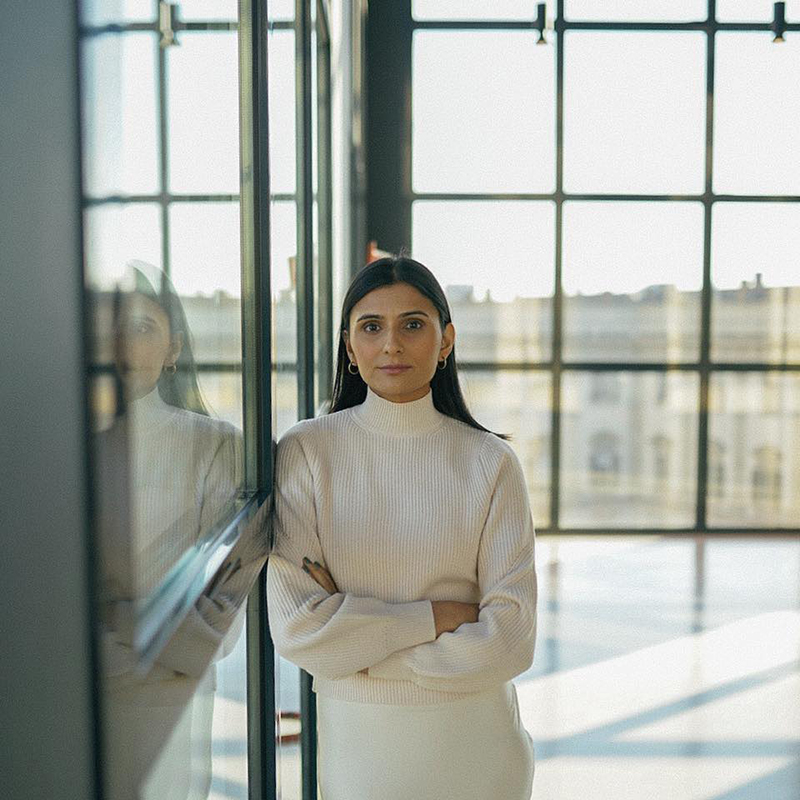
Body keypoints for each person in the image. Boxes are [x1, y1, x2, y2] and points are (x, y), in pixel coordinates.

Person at [267, 255, 537, 800]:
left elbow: (511, 642)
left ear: (445, 340)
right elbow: (299, 630)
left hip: (479, 752)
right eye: (372, 327)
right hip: (359, 757)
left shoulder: (491, 463)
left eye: (413, 324)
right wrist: (440, 617)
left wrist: (357, 646)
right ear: (349, 346)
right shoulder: (306, 452)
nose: (392, 344)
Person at [95, 261, 263, 800]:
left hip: (176, 707)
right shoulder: (60, 453)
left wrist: (115, 619)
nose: (124, 345)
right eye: (111, 327)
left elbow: (217, 627)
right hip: (73, 707)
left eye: (143, 327)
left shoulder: (217, 446)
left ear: (175, 346)